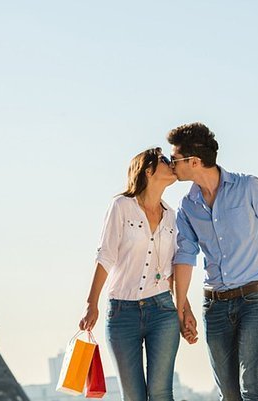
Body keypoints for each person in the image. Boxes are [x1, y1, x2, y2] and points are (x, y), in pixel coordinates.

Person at [167, 122, 258, 401]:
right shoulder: (187, 206)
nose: (171, 165)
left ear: (194, 161)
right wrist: (181, 307)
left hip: (255, 301)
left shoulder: (248, 188)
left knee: (252, 389)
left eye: (175, 160)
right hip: (215, 306)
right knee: (230, 395)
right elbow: (185, 257)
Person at [79, 147, 183, 401]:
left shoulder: (172, 217)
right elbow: (105, 255)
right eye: (164, 160)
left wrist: (184, 309)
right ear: (148, 170)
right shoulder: (121, 206)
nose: (171, 164)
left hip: (162, 311)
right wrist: (91, 304)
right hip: (121, 314)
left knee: (161, 393)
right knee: (134, 396)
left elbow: (171, 270)